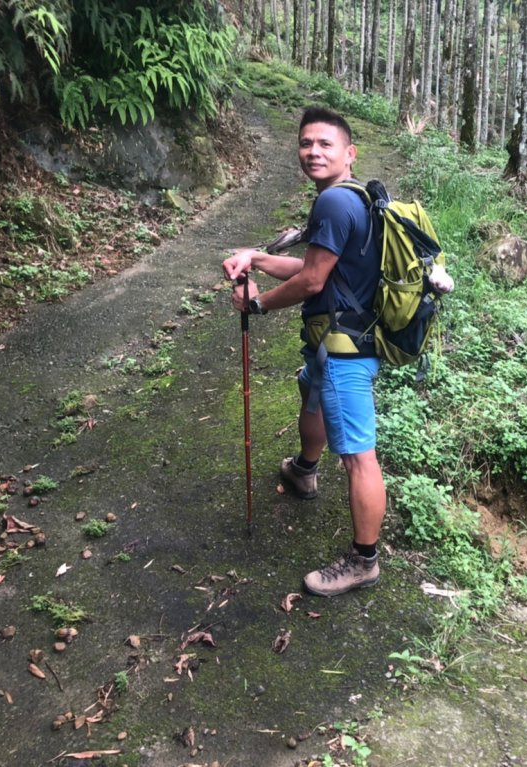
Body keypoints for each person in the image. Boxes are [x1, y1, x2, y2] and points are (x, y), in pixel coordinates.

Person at [222, 106, 385, 597]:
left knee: (359, 457)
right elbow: (316, 264)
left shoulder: (334, 203)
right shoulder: (354, 198)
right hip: (338, 338)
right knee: (309, 394)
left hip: (343, 348)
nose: (313, 151)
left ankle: (364, 561)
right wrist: (258, 256)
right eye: (305, 143)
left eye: (325, 144)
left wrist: (257, 305)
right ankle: (304, 471)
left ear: (349, 153)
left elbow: (313, 280)